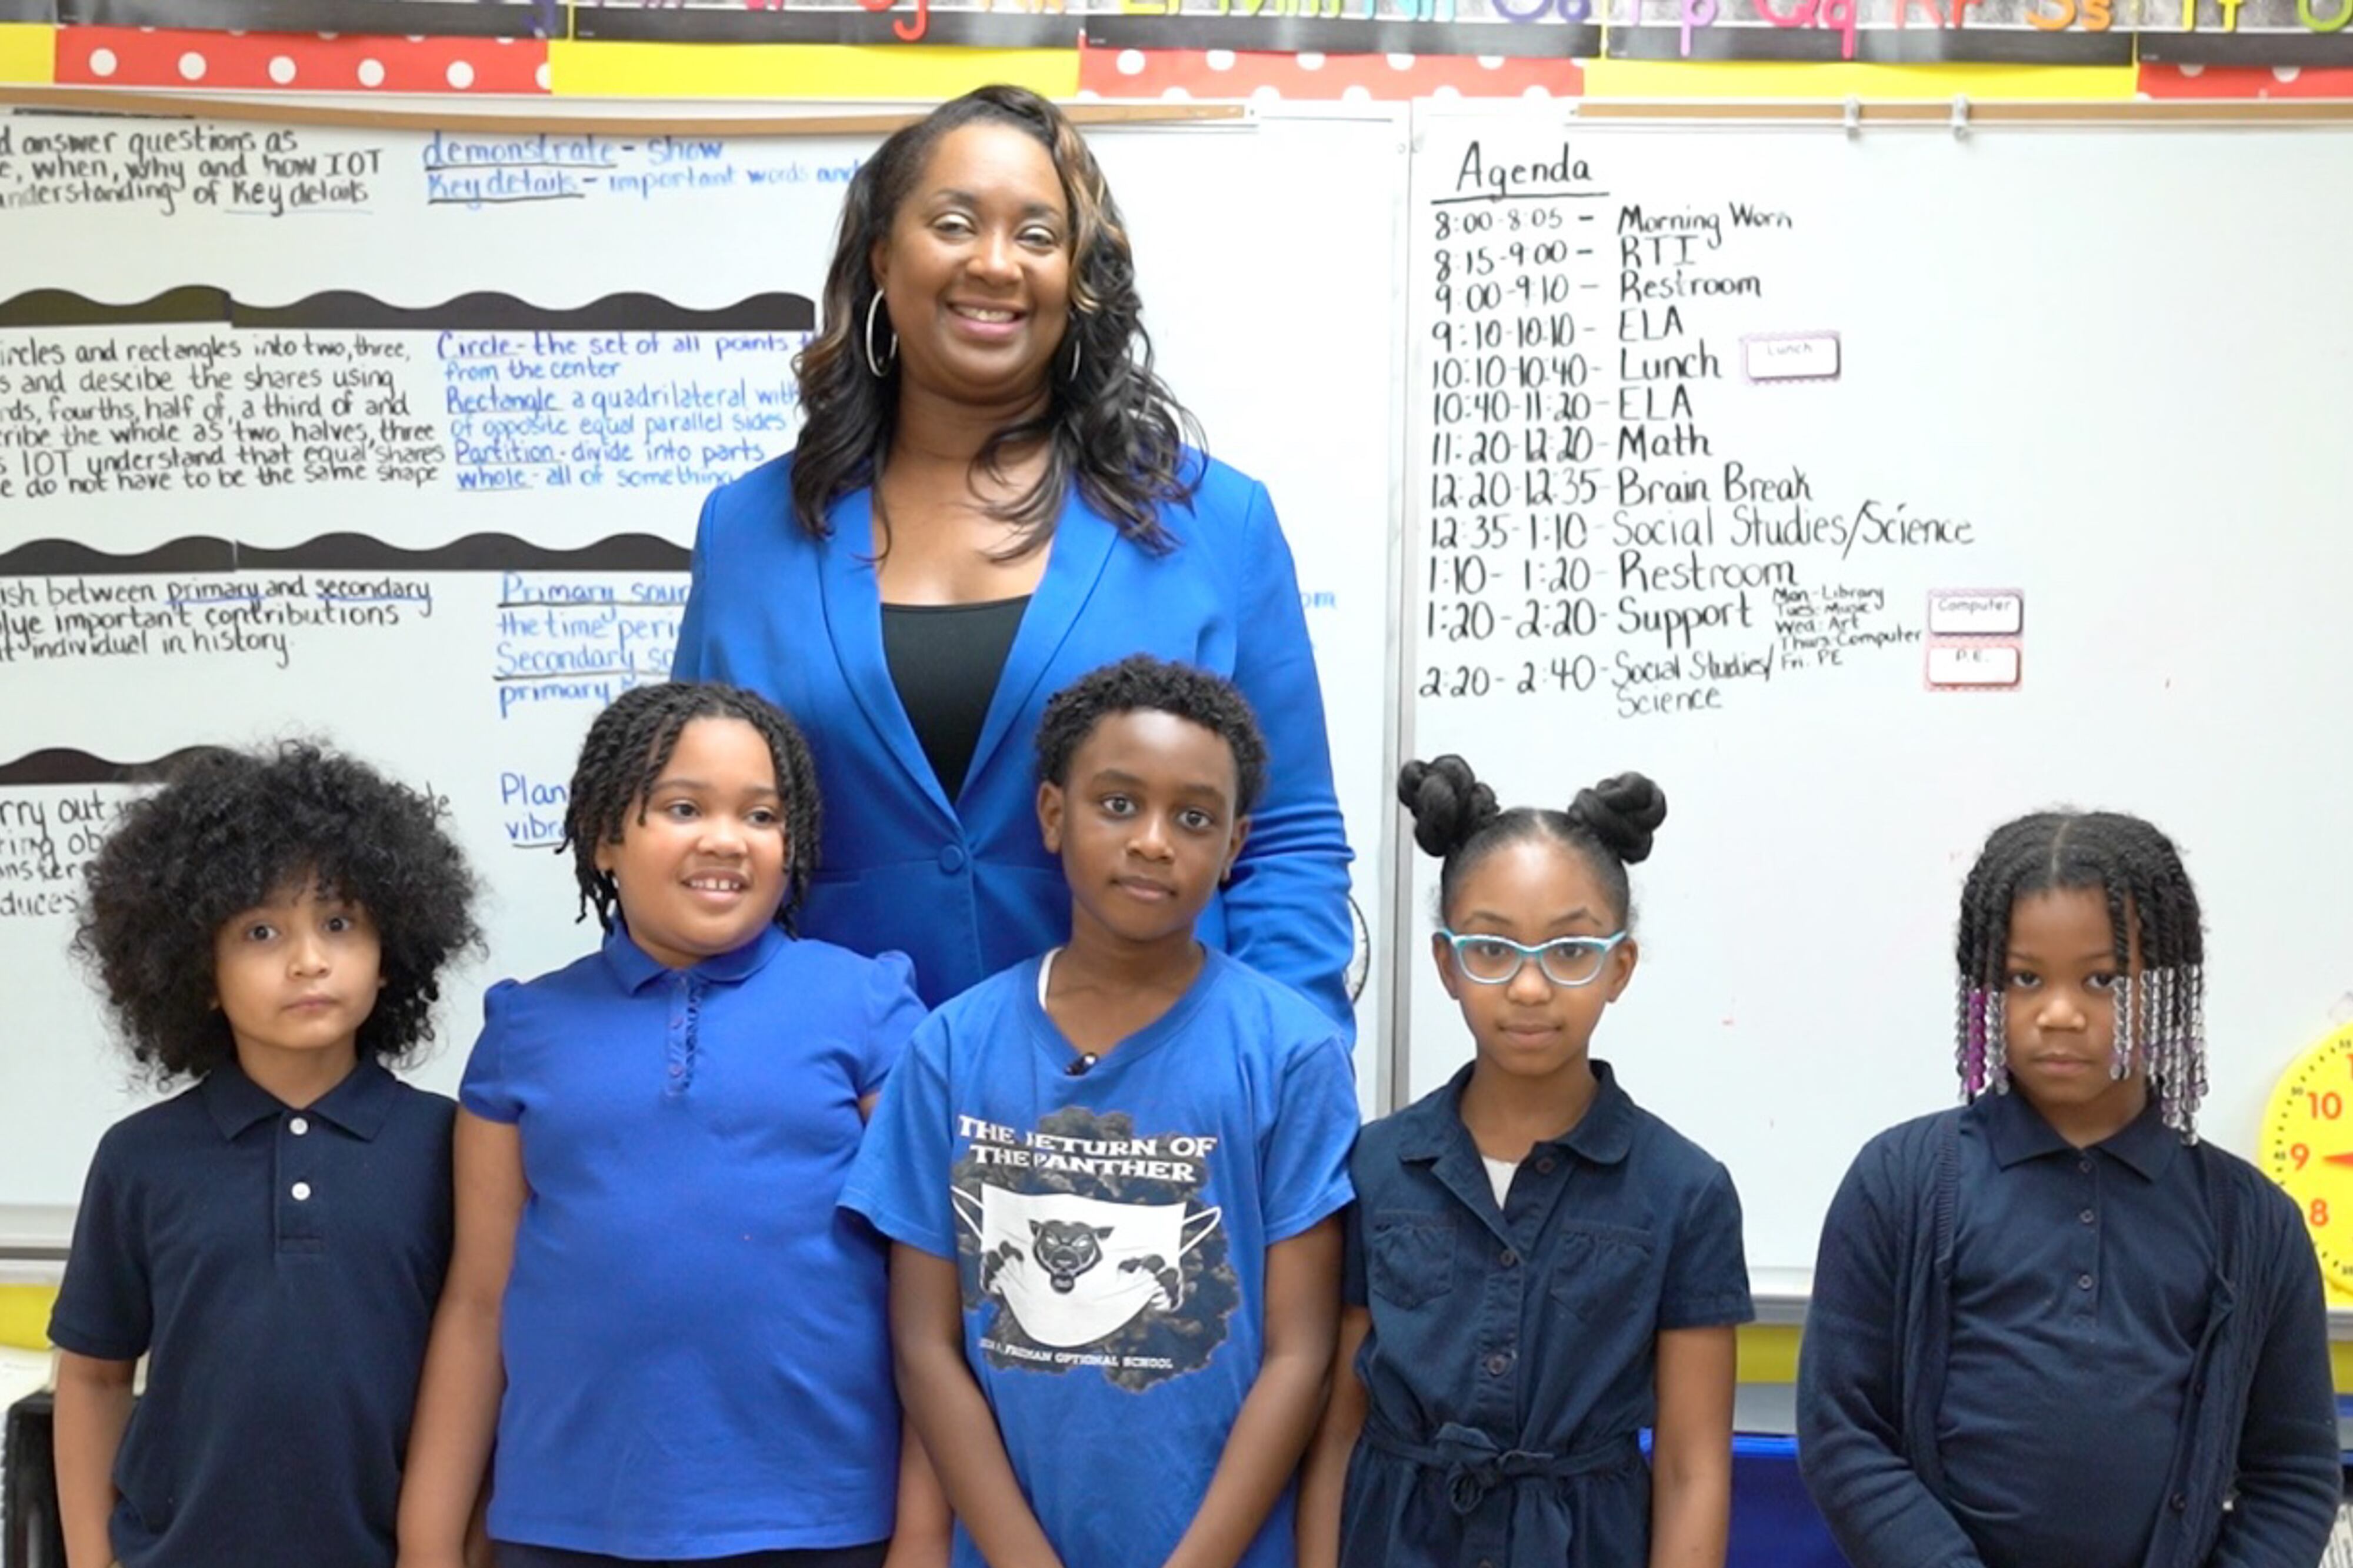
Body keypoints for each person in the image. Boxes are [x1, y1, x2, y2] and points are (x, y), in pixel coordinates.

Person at [670, 84, 1354, 1030]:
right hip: (831, 1108)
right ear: (881, 256)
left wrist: (1286, 1065)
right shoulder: (749, 529)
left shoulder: (1213, 520)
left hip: (1149, 1099)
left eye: (1037, 236)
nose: (995, 264)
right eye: (954, 223)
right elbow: (687, 819)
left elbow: (1286, 836)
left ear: (1078, 276)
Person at [397, 682, 938, 1568]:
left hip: (827, 1523)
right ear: (607, 838)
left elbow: (931, 1296)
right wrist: (428, 1538)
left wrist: (921, 1534)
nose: (726, 838)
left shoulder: (870, 1007)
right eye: (683, 807)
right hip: (565, 1526)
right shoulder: (526, 1030)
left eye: (760, 815)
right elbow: (478, 1300)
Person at [842, 655, 1358, 1568]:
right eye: (1119, 803)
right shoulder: (951, 1049)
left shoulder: (1291, 1054)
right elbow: (924, 1345)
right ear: (1053, 814)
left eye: (1193, 817)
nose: (1154, 840)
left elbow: (1300, 1354)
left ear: (1236, 844)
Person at [1796, 809, 2341, 1568]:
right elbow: (1843, 1433)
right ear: (1987, 987)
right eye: (2025, 978)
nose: (2059, 1013)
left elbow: (2294, 1475)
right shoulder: (1899, 1184)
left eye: (2103, 980)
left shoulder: (2254, 1224)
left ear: (2169, 988)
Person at [1299, 756, 1750, 1568]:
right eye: (1493, 948)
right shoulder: (1372, 1166)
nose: (1532, 987)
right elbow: (1336, 1429)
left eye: (1572, 949)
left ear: (1619, 966)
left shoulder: (1686, 1190)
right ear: (1446, 964)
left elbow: (1691, 1468)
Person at [51, 742, 480, 1568]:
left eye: (338, 922)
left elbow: (487, 1375)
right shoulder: (140, 1158)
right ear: (196, 970)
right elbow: (96, 1377)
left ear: (389, 954)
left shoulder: (452, 1146)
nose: (308, 959)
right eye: (260, 930)